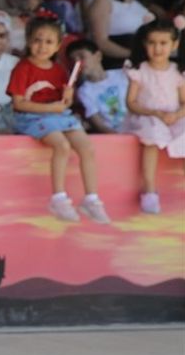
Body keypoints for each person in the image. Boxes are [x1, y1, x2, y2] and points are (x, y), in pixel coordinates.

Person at [7, 17, 110, 223]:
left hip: (58, 115)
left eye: (48, 42)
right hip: (31, 117)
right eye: (37, 40)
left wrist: (68, 97)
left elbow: (64, 101)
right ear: (28, 41)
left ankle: (91, 198)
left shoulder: (59, 70)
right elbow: (18, 104)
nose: (42, 46)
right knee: (61, 146)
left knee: (86, 147)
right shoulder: (22, 68)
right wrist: (51, 108)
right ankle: (59, 198)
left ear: (57, 46)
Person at [124, 20, 185, 215]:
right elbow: (131, 102)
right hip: (146, 116)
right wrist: (154, 113)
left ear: (174, 45)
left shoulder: (178, 73)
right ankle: (149, 190)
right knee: (152, 137)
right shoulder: (139, 70)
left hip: (172, 116)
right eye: (152, 43)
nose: (157, 48)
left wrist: (177, 115)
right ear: (145, 44)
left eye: (163, 43)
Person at [68, 38, 129, 135]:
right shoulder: (84, 91)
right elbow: (99, 125)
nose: (78, 63)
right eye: (73, 60)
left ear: (98, 56)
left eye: (82, 56)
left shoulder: (123, 74)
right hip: (115, 136)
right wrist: (121, 138)